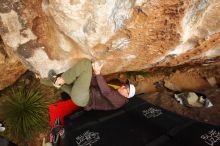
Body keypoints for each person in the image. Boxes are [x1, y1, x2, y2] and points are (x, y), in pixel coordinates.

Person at [39, 58, 136, 111]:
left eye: (126, 89)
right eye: (125, 85)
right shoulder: (117, 90)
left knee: (86, 64)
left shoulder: (119, 101)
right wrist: (93, 74)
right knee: (64, 84)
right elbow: (96, 85)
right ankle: (41, 79)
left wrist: (97, 72)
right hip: (83, 94)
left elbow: (106, 92)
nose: (123, 86)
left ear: (127, 96)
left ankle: (61, 79)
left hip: (83, 98)